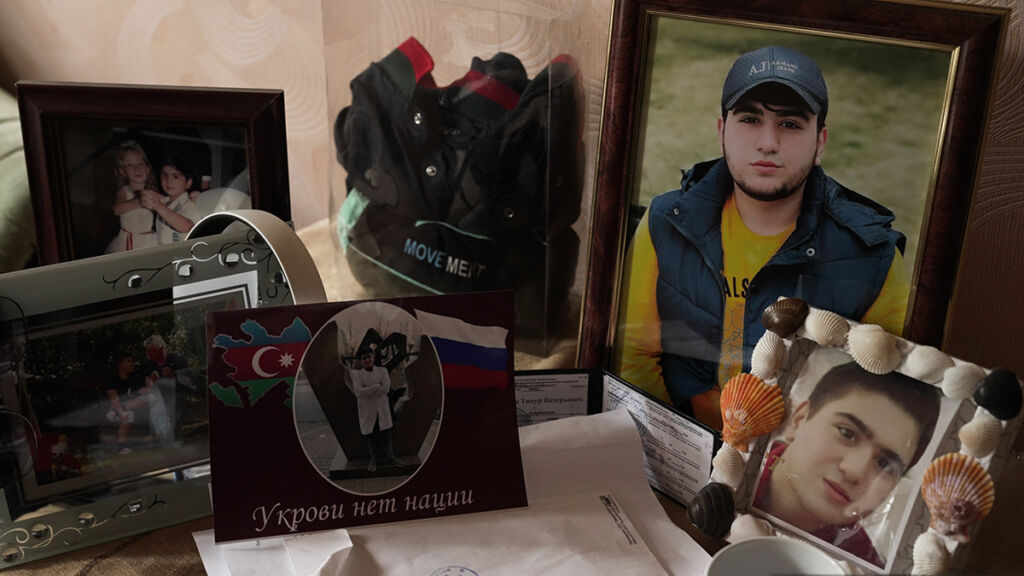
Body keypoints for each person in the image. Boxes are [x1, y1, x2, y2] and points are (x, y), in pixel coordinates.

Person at [614, 46, 909, 428]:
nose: (768, 142)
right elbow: (634, 356)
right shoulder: (665, 222)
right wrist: (679, 446)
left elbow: (883, 395)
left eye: (790, 124)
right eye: (750, 119)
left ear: (820, 143)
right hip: (677, 440)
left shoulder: (874, 256)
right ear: (722, 132)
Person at [752, 362, 941, 567]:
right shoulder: (741, 470)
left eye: (883, 463)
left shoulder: (862, 566)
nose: (854, 471)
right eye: (847, 433)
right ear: (798, 420)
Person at [104, 350, 173, 454]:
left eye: (132, 361)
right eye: (128, 361)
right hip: (117, 407)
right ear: (120, 365)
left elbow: (140, 392)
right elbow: (114, 398)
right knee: (128, 415)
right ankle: (122, 447)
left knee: (151, 397)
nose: (132, 363)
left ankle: (159, 438)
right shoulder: (113, 379)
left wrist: (150, 385)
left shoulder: (134, 376)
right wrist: (121, 412)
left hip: (129, 406)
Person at [345, 348, 400, 472]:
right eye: (364, 358)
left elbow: (386, 389)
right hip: (367, 410)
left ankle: (391, 458)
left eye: (369, 357)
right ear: (361, 361)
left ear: (373, 357)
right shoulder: (357, 375)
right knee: (371, 436)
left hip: (382, 408)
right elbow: (359, 392)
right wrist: (376, 385)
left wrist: (368, 389)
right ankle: (374, 460)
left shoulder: (383, 371)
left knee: (386, 434)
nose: (367, 360)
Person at [104, 140, 159, 254]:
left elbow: (167, 202)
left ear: (147, 169)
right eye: (130, 165)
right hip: (127, 242)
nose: (136, 168)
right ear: (123, 171)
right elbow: (117, 209)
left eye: (140, 164)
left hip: (148, 240)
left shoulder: (151, 192)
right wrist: (138, 202)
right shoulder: (125, 192)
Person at [141, 156, 202, 245]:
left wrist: (158, 206)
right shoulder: (164, 202)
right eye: (165, 175)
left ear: (188, 183)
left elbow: (187, 227)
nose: (169, 181)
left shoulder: (190, 205)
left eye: (175, 177)